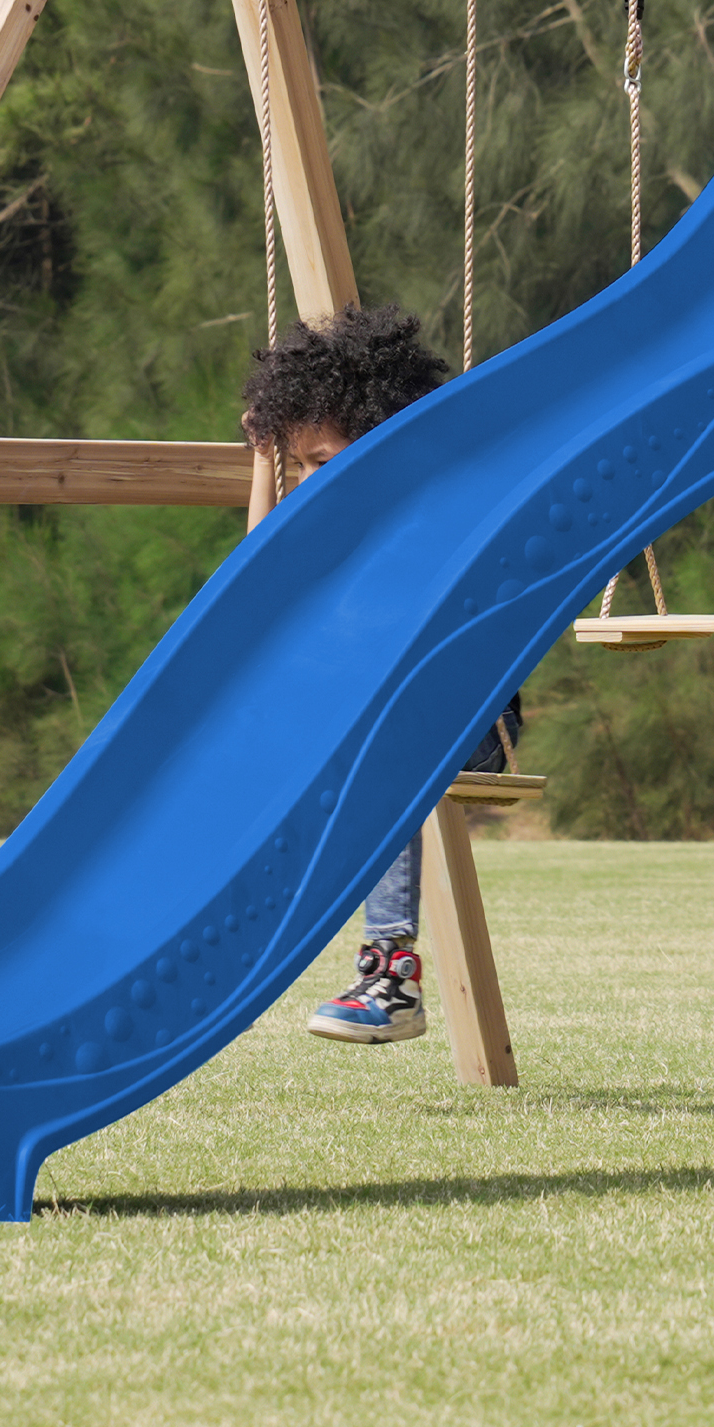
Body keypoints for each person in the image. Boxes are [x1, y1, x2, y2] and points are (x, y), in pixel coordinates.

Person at [238, 303, 523, 1043]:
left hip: (470, 720)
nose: (308, 481)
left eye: (321, 462)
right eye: (296, 465)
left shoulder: (427, 518)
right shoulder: (336, 524)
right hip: (391, 716)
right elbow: (256, 576)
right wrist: (259, 467)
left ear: (383, 439)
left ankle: (390, 974)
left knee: (374, 745)